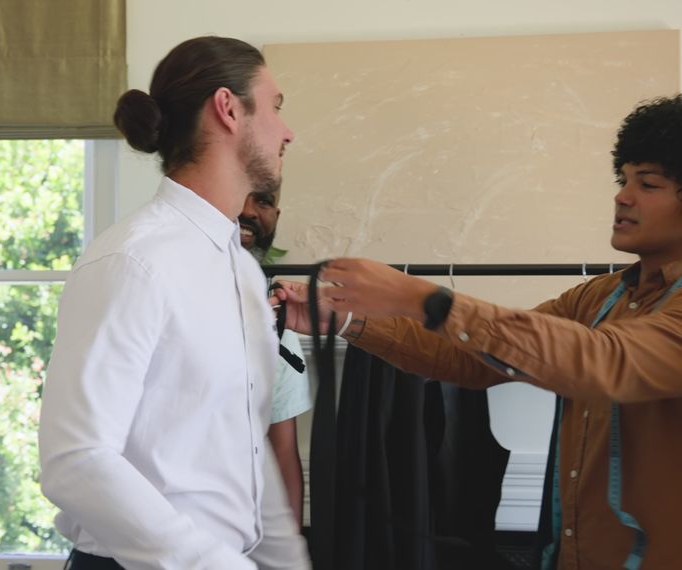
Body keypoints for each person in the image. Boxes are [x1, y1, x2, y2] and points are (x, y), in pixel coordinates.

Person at [274, 94, 682, 568]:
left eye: (647, 184)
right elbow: (475, 357)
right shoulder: (599, 297)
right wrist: (345, 320)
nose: (622, 196)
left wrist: (421, 297)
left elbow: (605, 360)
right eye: (623, 179)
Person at [39, 36, 309, 569]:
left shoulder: (238, 268)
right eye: (275, 108)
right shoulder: (133, 262)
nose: (287, 131)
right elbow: (76, 459)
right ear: (229, 109)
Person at [240, 188, 312, 527]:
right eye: (239, 195)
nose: (250, 211)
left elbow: (283, 454)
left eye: (264, 202)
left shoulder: (280, 331)